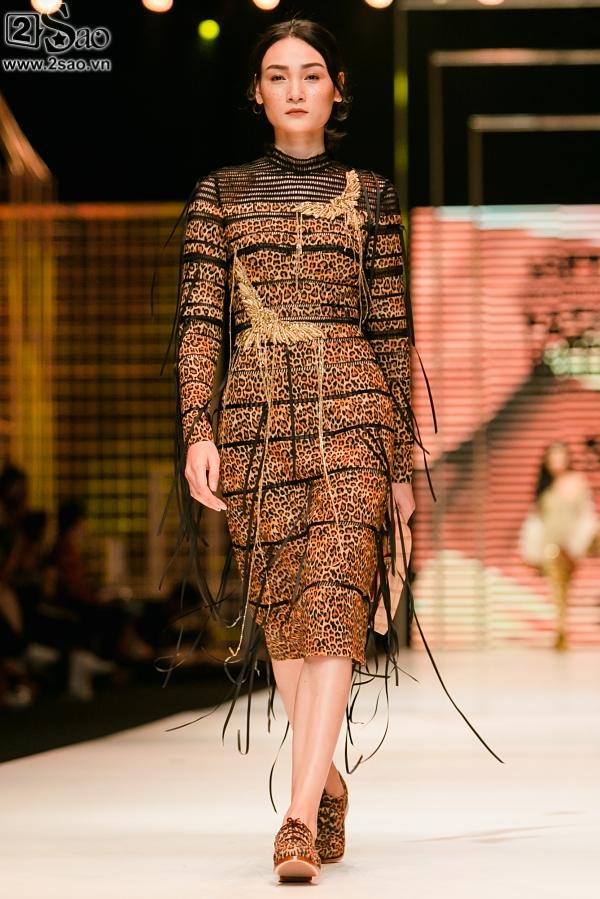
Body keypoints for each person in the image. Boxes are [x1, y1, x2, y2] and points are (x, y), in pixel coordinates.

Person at [159, 17, 502, 882]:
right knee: (286, 613)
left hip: (355, 409)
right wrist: (198, 429)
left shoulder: (373, 196)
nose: (296, 88)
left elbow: (390, 333)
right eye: (278, 74)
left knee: (337, 604)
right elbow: (200, 323)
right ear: (257, 92)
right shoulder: (220, 195)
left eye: (312, 73)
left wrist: (403, 465)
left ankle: (296, 817)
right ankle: (329, 779)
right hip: (256, 414)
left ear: (338, 88)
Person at [520, 441, 599, 650]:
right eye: (552, 457)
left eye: (560, 456)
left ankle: (562, 631)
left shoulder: (577, 482)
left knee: (565, 587)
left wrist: (578, 543)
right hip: (551, 545)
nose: (556, 460)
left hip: (572, 545)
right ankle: (561, 632)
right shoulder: (545, 487)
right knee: (557, 588)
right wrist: (531, 551)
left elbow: (586, 515)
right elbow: (536, 521)